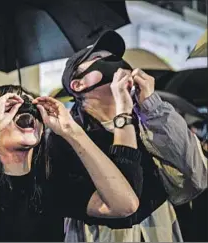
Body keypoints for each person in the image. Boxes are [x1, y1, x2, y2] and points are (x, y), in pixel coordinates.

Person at [0, 85, 142, 242]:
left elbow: (124, 205)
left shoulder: (53, 183)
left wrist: (72, 132)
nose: (24, 108)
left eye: (30, 105)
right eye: (10, 107)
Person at [57, 30, 207, 242]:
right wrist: (123, 114)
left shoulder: (149, 121)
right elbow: (123, 208)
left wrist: (152, 106)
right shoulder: (67, 136)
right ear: (78, 84)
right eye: (100, 59)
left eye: (117, 57)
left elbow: (197, 176)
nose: (116, 63)